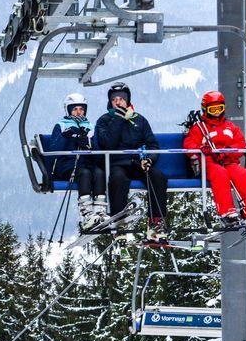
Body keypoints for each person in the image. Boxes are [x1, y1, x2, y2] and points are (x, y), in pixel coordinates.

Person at [94, 82, 169, 235]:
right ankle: (119, 222)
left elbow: (153, 145)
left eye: (121, 98)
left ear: (127, 100)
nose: (118, 101)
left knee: (158, 177)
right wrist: (119, 119)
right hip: (116, 163)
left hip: (137, 163)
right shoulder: (104, 120)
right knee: (118, 179)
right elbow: (107, 143)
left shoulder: (139, 120)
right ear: (110, 101)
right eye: (114, 99)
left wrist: (149, 159)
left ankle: (156, 223)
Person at [182, 90, 246, 227]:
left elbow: (241, 144)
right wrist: (202, 149)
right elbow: (188, 145)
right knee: (220, 174)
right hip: (210, 164)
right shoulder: (199, 128)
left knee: (244, 174)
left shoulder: (230, 127)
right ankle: (227, 213)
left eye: (220, 108)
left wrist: (228, 151)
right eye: (213, 109)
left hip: (229, 162)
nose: (217, 112)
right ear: (206, 110)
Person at [47, 92, 108, 230]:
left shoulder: (91, 127)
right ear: (68, 110)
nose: (78, 112)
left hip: (88, 163)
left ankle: (99, 211)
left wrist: (88, 143)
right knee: (84, 173)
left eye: (81, 109)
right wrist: (65, 136)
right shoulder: (61, 125)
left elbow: (98, 151)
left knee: (99, 172)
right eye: (75, 109)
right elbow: (53, 150)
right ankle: (86, 213)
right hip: (68, 165)